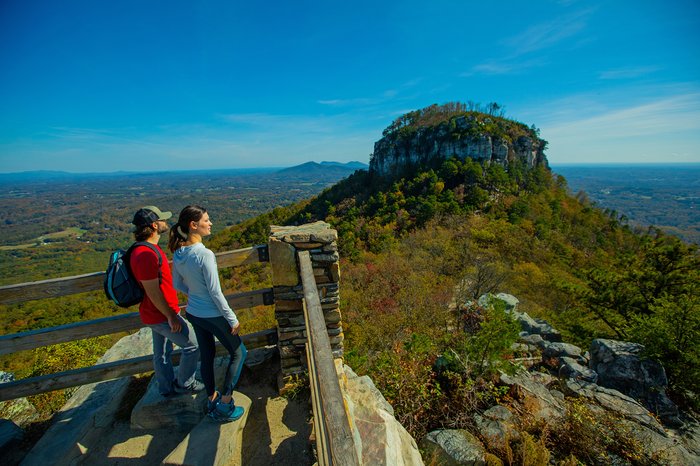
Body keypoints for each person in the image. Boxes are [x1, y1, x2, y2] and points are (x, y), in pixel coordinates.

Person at [169, 205, 247, 422]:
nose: (210, 223)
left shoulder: (179, 253)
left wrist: (194, 294)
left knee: (207, 353)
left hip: (193, 312)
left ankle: (211, 397)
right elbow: (215, 291)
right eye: (206, 220)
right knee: (239, 353)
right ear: (194, 225)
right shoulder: (204, 254)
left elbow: (176, 284)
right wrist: (231, 317)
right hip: (211, 314)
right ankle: (224, 404)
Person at [129, 205, 204, 397]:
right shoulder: (146, 254)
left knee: (162, 354)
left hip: (154, 313)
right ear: (154, 225)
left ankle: (166, 388)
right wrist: (170, 315)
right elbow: (152, 290)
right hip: (160, 314)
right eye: (162, 220)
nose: (166, 222)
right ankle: (185, 384)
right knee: (193, 345)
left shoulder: (143, 250)